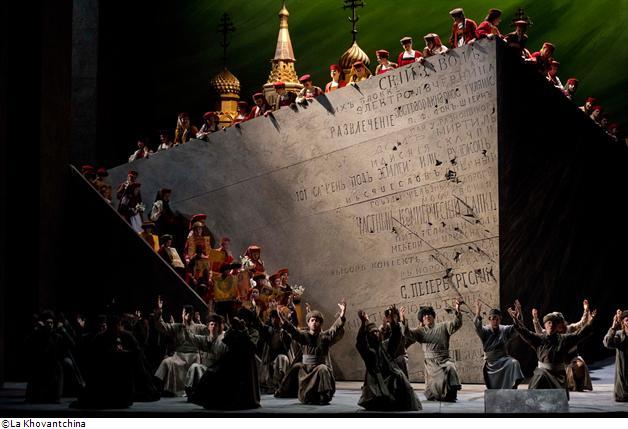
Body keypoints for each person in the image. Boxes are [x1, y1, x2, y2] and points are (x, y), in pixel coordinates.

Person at [507, 304, 594, 397]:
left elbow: (579, 335)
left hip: (558, 376)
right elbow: (525, 333)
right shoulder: (539, 339)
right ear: (545, 325)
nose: (551, 325)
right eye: (549, 323)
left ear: (557, 326)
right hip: (542, 373)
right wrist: (516, 320)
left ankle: (577, 386)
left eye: (554, 323)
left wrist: (589, 323)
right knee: (539, 380)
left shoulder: (564, 339)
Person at [275, 299, 347, 404]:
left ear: (321, 324)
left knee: (322, 368)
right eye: (312, 320)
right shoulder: (304, 336)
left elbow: (335, 328)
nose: (314, 323)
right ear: (308, 323)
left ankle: (323, 396)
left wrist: (343, 313)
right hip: (306, 371)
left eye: (317, 321)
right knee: (296, 366)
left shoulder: (325, 337)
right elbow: (292, 330)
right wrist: (282, 318)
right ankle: (289, 391)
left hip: (319, 368)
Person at [356, 306, 422, 411]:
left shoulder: (385, 346)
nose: (375, 334)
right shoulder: (368, 351)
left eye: (376, 332)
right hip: (375, 382)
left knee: (399, 375)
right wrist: (364, 323)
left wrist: (393, 321)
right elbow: (360, 342)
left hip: (388, 379)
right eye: (372, 332)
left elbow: (396, 336)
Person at [191, 315, 261, 409]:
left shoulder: (253, 332)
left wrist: (243, 331)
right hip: (231, 359)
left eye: (244, 319)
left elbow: (250, 345)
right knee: (212, 373)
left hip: (244, 361)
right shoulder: (233, 331)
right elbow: (226, 340)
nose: (242, 321)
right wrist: (233, 329)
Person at [532, 300, 595, 392]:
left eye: (560, 322)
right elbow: (540, 332)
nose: (559, 325)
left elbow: (582, 324)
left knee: (580, 366)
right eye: (556, 323)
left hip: (572, 357)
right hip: (558, 360)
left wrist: (586, 311)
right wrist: (535, 320)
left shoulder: (570, 329)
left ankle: (579, 385)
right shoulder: (551, 333)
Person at [406, 301, 463, 401]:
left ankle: (451, 394)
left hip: (444, 359)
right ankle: (436, 394)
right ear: (422, 320)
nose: (427, 316)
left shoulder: (443, 326)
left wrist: (457, 311)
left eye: (429, 314)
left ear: (433, 317)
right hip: (431, 363)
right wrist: (403, 321)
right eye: (424, 316)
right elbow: (408, 333)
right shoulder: (420, 331)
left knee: (450, 368)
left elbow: (456, 324)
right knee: (435, 385)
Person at [153, 297, 206, 396]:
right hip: (178, 355)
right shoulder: (177, 327)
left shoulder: (198, 327)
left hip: (193, 356)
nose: (186, 315)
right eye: (184, 313)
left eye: (189, 313)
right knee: (166, 362)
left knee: (180, 364)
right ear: (182, 314)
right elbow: (162, 326)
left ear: (191, 315)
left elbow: (210, 331)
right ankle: (158, 387)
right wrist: (159, 311)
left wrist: (203, 319)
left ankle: (185, 390)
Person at [473, 300, 524, 389]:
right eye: (493, 319)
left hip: (503, 359)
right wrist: (477, 314)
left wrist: (517, 315)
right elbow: (477, 327)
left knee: (514, 363)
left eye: (497, 319)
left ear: (500, 319)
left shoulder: (504, 329)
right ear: (489, 319)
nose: (495, 321)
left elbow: (518, 329)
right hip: (491, 363)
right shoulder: (485, 330)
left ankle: (513, 386)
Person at [184, 313, 228, 398]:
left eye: (216, 325)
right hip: (205, 369)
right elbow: (190, 337)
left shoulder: (222, 342)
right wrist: (185, 322)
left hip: (217, 372)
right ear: (208, 326)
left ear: (219, 327)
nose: (213, 326)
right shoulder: (204, 339)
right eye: (212, 324)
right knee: (195, 367)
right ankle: (190, 391)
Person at [258, 308, 293, 393]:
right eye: (273, 317)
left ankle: (279, 385)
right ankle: (274, 386)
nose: (275, 320)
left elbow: (289, 339)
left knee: (281, 358)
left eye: (277, 317)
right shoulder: (268, 330)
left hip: (284, 361)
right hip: (270, 361)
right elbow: (259, 324)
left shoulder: (285, 332)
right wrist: (255, 312)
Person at [603, 309, 628, 402]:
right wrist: (613, 327)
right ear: (623, 322)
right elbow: (607, 343)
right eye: (627, 320)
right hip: (622, 388)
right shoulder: (619, 335)